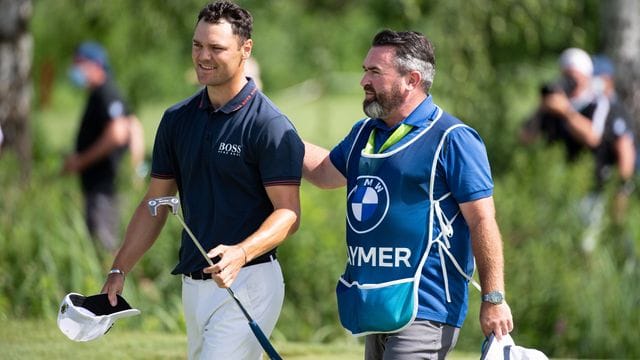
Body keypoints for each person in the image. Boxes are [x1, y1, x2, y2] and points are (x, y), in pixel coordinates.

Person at [101, 2, 304, 359]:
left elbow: (288, 213)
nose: (203, 57)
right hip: (193, 286)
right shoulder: (177, 119)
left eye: (216, 48)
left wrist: (241, 253)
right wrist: (120, 269)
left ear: (246, 49)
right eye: (198, 45)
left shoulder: (269, 125)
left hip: (250, 281)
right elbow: (155, 202)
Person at [303, 29, 513, 358]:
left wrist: (494, 298)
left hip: (426, 308)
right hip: (375, 303)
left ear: (411, 79)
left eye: (375, 72)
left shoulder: (453, 138)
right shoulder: (364, 134)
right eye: (364, 70)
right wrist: (272, 134)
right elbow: (324, 172)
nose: (363, 81)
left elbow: (482, 220)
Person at [62, 42, 144, 254]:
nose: (75, 69)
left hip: (104, 188)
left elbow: (117, 134)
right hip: (100, 187)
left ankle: (110, 288)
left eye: (79, 64)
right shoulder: (101, 94)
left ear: (95, 64)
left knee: (104, 250)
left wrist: (81, 161)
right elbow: (134, 126)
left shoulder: (105, 93)